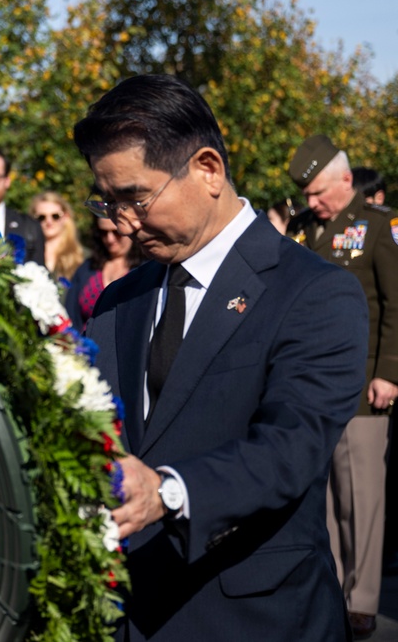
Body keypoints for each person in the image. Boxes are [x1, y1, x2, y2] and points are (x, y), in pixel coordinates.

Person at [74, 74, 367, 640]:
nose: (121, 222)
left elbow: (291, 445)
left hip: (253, 616)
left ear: (207, 169)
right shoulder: (119, 301)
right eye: (106, 201)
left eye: (135, 197)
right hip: (128, 614)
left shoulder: (313, 291)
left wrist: (168, 491)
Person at [286, 135, 398, 639]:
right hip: (308, 388)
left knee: (362, 501)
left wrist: (389, 372)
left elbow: (396, 305)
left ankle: (363, 600)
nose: (310, 203)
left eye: (317, 193)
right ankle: (327, 591)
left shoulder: (378, 229)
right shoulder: (302, 230)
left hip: (361, 388)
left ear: (346, 181)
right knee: (322, 501)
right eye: (306, 195)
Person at [65, 216, 142, 331]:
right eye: (103, 232)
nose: (110, 239)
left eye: (117, 232)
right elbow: (71, 317)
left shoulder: (147, 270)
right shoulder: (87, 268)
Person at [28, 191, 83, 287]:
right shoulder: (27, 253)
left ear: (66, 217)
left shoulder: (82, 256)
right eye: (41, 217)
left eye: (55, 216)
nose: (49, 221)